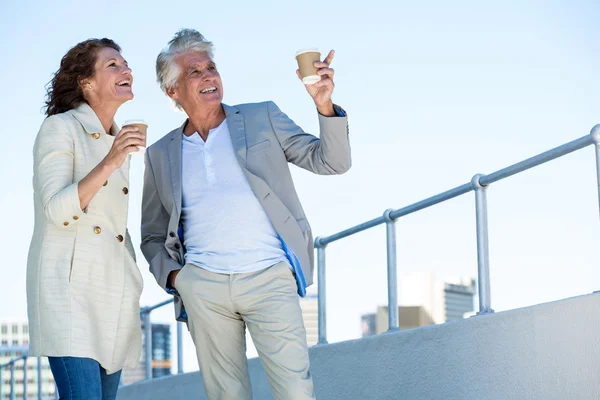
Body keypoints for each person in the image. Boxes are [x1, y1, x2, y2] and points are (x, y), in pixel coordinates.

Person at [141, 28, 350, 400]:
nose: (208, 76)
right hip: (204, 288)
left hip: (269, 277)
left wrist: (324, 105)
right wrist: (177, 279)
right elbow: (153, 233)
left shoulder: (261, 117)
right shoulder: (160, 153)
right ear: (172, 91)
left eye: (211, 67)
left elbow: (332, 162)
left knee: (295, 392)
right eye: (194, 72)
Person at [27, 38, 144, 400]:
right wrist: (110, 160)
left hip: (113, 296)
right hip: (70, 297)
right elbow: (57, 210)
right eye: (113, 65)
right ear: (86, 83)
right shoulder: (60, 128)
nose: (127, 70)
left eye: (126, 64)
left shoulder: (116, 138)